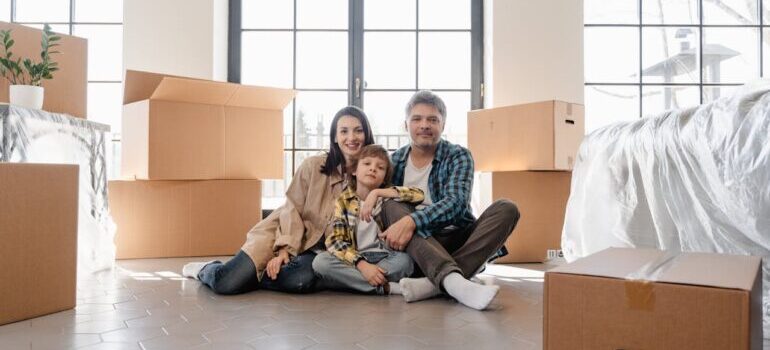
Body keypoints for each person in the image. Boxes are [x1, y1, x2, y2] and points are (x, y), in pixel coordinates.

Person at [181, 106, 375, 295]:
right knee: (226, 283)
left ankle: (254, 277)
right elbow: (292, 208)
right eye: (344, 131)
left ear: (366, 135)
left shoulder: (371, 175)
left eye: (358, 131)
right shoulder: (313, 166)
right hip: (280, 232)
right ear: (335, 137)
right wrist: (284, 251)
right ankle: (206, 269)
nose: (351, 138)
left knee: (301, 281)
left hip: (314, 252)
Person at [380, 90, 521, 310]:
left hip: (455, 236)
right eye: (417, 119)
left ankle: (434, 283)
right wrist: (406, 222)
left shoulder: (458, 155)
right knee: (391, 204)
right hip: (417, 245)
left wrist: (413, 221)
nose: (424, 125)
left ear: (443, 125)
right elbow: (387, 213)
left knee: (507, 208)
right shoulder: (393, 161)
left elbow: (456, 204)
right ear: (406, 124)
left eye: (432, 119)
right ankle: (455, 281)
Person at [312, 145, 423, 295]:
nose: (373, 169)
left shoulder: (386, 198)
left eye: (380, 167)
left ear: (384, 178)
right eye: (367, 164)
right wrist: (362, 265)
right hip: (355, 258)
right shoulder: (343, 201)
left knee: (406, 262)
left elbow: (419, 195)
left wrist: (377, 193)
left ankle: (348, 282)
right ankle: (387, 287)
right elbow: (335, 241)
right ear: (354, 171)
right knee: (321, 262)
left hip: (385, 257)